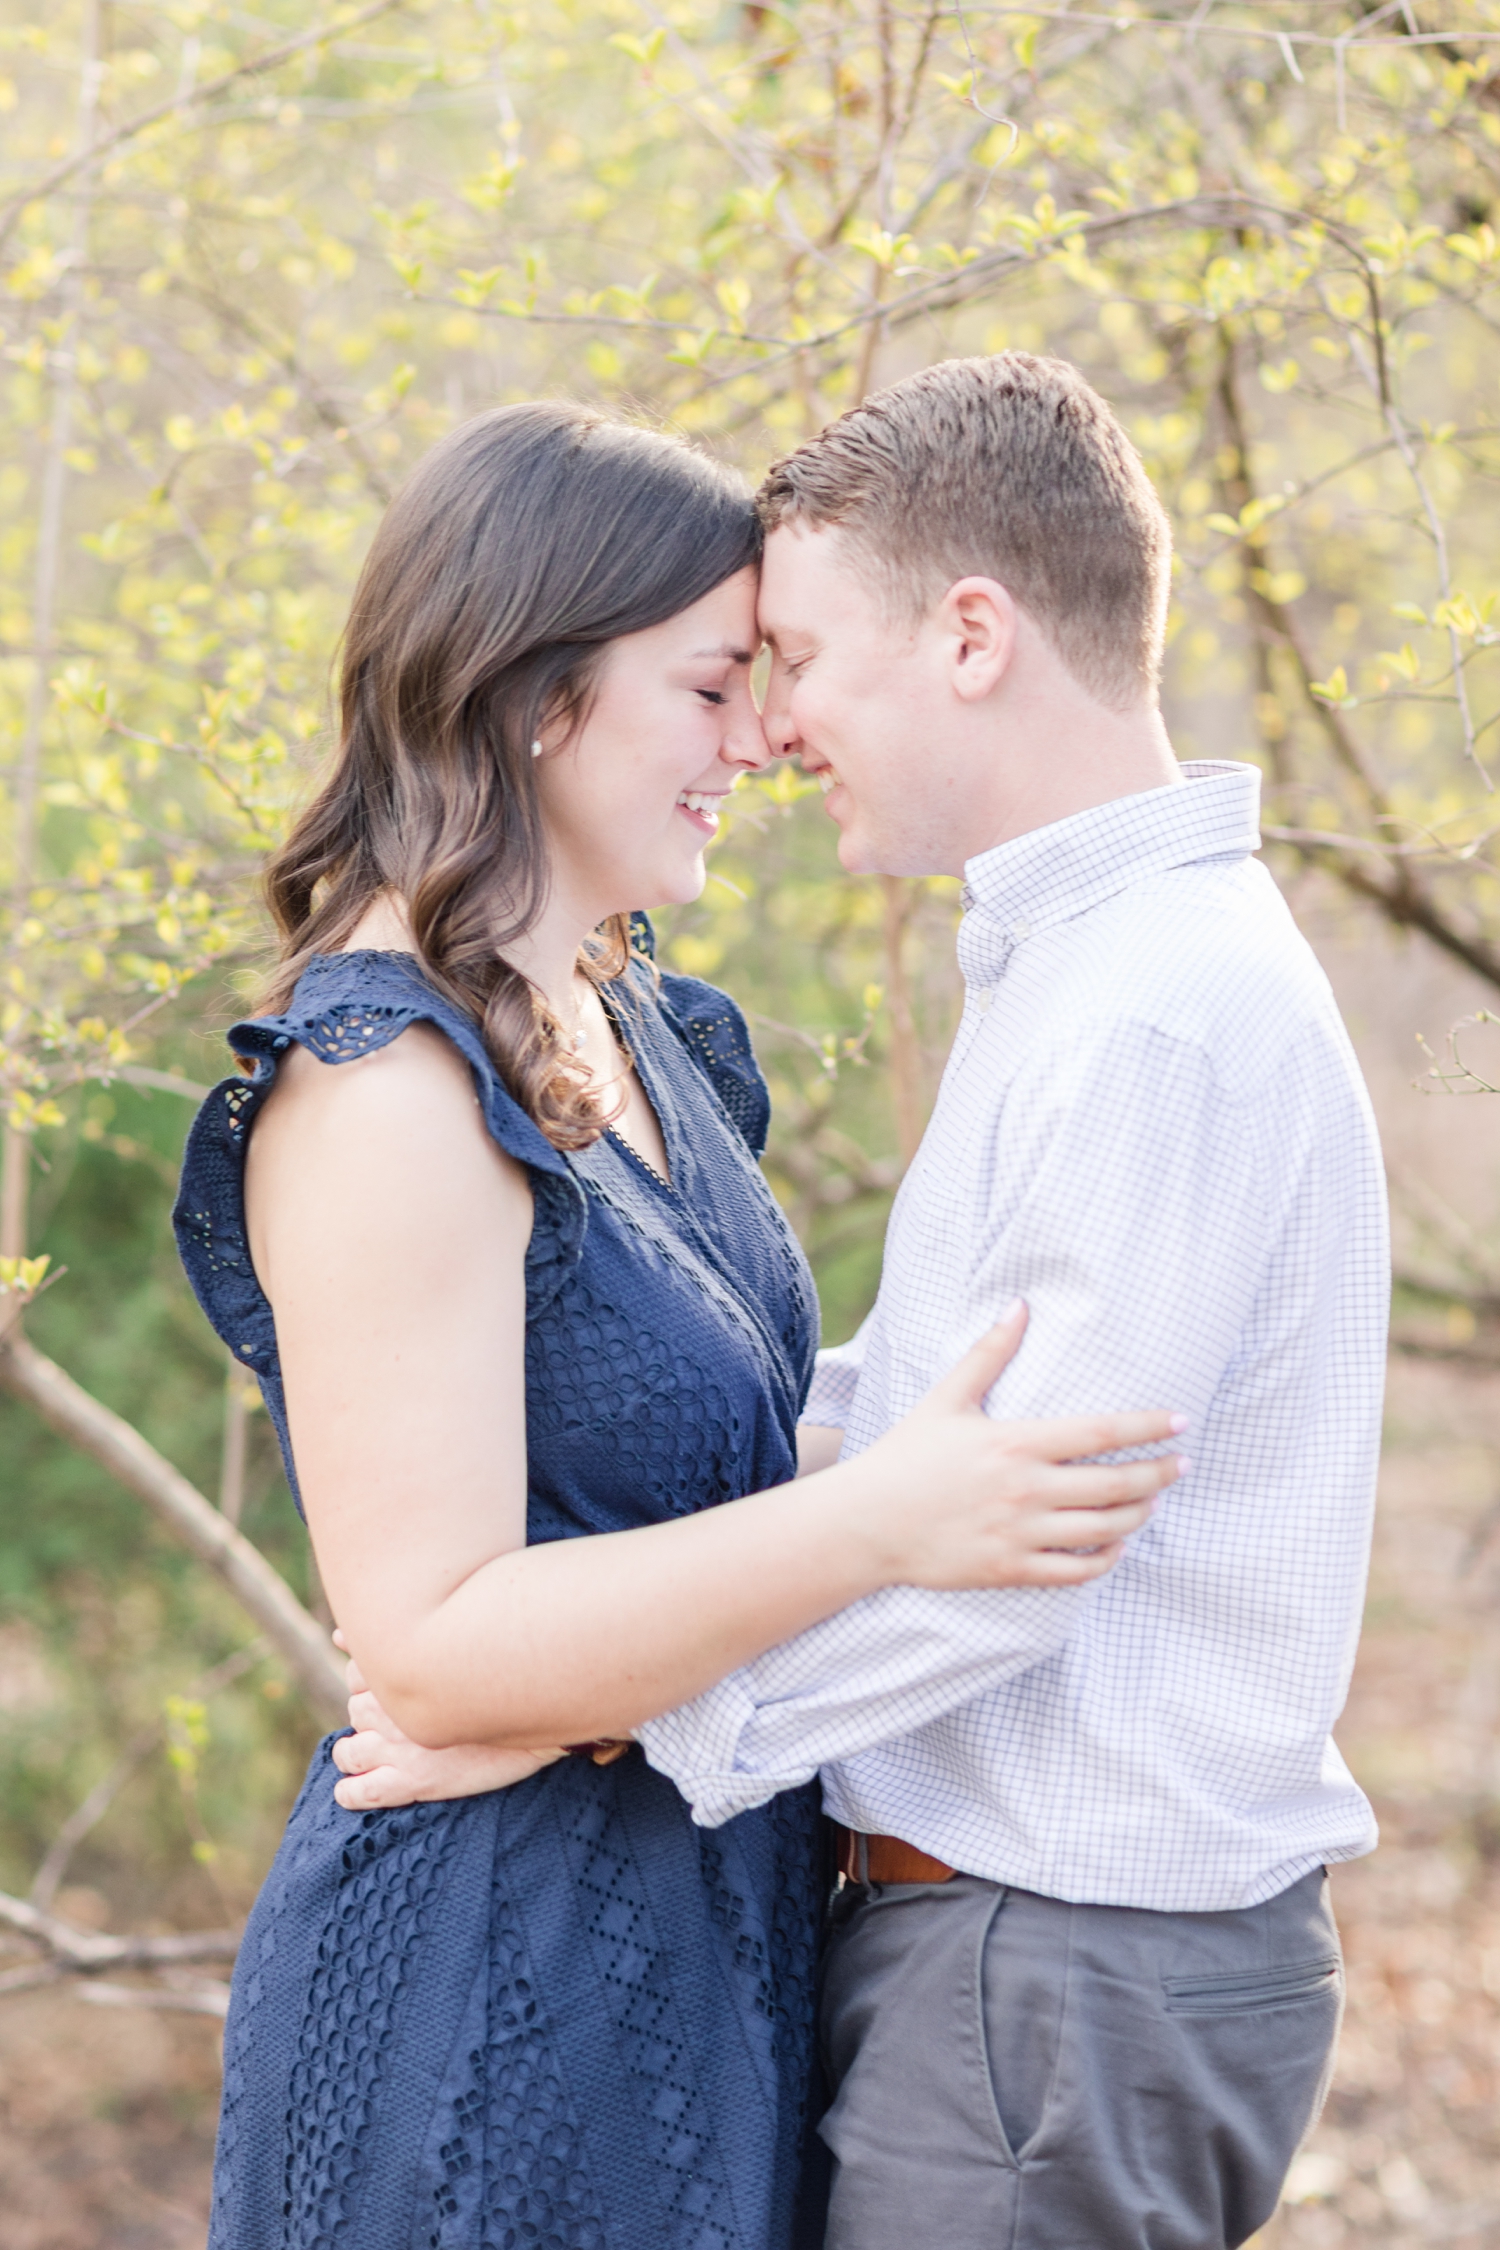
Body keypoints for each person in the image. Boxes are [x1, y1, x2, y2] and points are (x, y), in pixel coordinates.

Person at [340, 358, 1389, 2250]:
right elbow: (923, 1425)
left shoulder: (1151, 1011)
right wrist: (522, 1644)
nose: (778, 729)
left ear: (972, 634)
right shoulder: (1082, 969)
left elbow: (1009, 1537)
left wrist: (595, 1717)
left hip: (1054, 1977)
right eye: (735, 681)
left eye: (797, 661)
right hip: (1012, 1972)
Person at [172, 398, 1184, 2250]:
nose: (767, 739)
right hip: (501, 1988)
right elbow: (442, 1647)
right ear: (540, 689)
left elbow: (697, 1464)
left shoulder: (641, 1028)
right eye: (717, 686)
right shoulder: (385, 1084)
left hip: (724, 1932)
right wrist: (881, 1519)